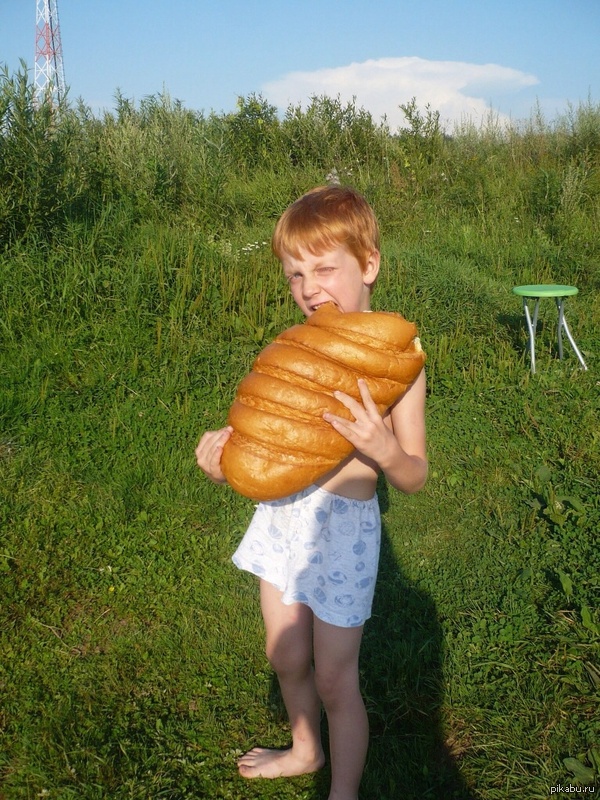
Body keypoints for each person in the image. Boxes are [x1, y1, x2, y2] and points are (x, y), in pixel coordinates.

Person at [195, 185, 427, 800]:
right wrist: (224, 466)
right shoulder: (295, 351)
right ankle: (305, 748)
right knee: (287, 656)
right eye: (296, 274)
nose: (309, 288)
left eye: (325, 269)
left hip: (345, 534)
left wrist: (382, 452)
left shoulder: (397, 363)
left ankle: (343, 791)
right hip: (280, 521)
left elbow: (415, 474)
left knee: (333, 678)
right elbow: (267, 446)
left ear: (369, 264)